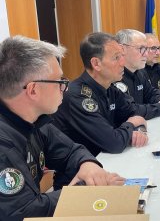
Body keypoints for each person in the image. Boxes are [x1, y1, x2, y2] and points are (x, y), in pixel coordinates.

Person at [0, 36, 124, 220]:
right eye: (59, 81)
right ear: (33, 90)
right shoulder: (4, 145)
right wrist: (86, 189)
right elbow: (24, 213)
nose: (65, 88)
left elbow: (71, 150)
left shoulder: (36, 120)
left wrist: (88, 165)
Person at [53, 32, 148, 157]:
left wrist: (140, 130)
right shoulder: (77, 96)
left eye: (122, 56)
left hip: (106, 161)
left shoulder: (109, 87)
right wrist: (131, 124)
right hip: (80, 172)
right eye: (116, 57)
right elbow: (114, 143)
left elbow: (134, 113)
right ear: (96, 63)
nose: (123, 63)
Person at [114, 29, 160, 119]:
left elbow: (151, 93)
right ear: (122, 49)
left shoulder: (139, 72)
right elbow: (131, 111)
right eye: (142, 49)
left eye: (147, 49)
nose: (146, 54)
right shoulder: (114, 76)